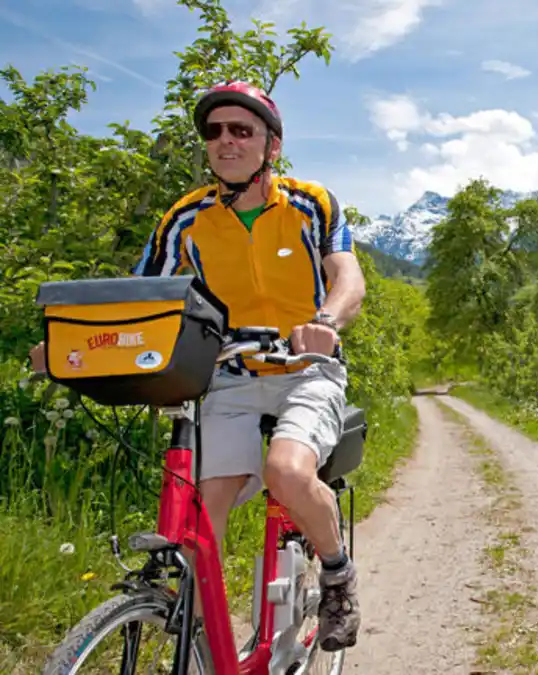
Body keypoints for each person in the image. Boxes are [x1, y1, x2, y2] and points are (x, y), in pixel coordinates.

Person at [28, 81, 366, 651]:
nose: (225, 141)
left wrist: (327, 322)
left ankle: (337, 575)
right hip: (229, 375)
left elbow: (348, 276)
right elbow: (142, 299)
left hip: (306, 367)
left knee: (285, 473)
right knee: (199, 517)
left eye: (242, 130)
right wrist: (71, 345)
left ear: (271, 147)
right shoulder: (186, 218)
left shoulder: (311, 203)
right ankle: (207, 636)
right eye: (214, 131)